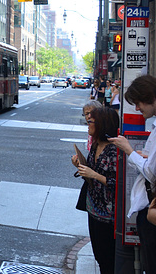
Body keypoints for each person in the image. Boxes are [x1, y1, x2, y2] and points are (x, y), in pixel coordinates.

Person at [109, 74, 156, 273]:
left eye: (138, 103)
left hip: (150, 209)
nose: (137, 108)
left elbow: (152, 173)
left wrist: (129, 150)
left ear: (150, 97)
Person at [71, 107, 119, 274]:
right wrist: (81, 167)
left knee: (108, 258)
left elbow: (118, 183)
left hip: (109, 216)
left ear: (102, 124)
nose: (88, 125)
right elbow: (91, 176)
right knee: (99, 254)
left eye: (90, 122)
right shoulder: (96, 144)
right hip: (93, 210)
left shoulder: (114, 150)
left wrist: (95, 174)